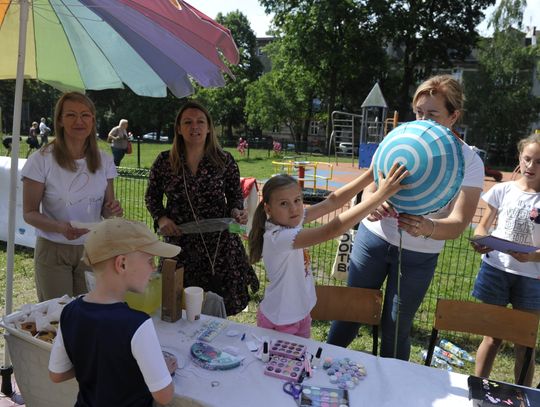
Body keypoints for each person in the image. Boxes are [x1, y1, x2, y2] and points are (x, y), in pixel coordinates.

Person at [327, 74, 485, 360]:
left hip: (419, 256)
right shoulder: (400, 139)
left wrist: (428, 227)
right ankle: (318, 368)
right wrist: (371, 204)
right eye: (419, 113)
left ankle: (394, 393)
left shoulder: (469, 161)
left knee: (396, 328)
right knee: (349, 314)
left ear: (454, 116)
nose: (422, 122)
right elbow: (372, 185)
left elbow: (459, 223)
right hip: (372, 240)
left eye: (433, 114)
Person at [248, 164, 408, 338]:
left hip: (301, 314)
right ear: (268, 209)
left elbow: (332, 201)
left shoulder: (289, 219)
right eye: (284, 203)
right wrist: (381, 195)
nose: (294, 208)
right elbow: (331, 230)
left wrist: (370, 175)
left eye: (297, 200)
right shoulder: (278, 236)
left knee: (300, 362)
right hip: (281, 321)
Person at [48, 218, 179, 406]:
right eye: (150, 260)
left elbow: (57, 374)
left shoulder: (69, 312)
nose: (154, 267)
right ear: (122, 264)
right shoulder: (137, 324)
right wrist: (162, 369)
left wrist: (97, 366)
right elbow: (164, 396)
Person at [145, 101, 259, 316]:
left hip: (220, 246)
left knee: (219, 306)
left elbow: (235, 196)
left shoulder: (224, 160)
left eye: (200, 122)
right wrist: (161, 219)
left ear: (209, 128)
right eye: (187, 122)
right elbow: (152, 196)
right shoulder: (164, 162)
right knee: (177, 304)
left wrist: (237, 211)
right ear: (178, 128)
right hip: (180, 244)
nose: (194, 127)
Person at [22, 92, 123, 302]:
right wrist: (61, 228)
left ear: (93, 120)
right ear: (59, 120)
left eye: (85, 115)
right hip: (53, 250)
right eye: (71, 115)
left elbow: (106, 209)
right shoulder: (40, 160)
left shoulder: (104, 161)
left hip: (92, 250)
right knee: (59, 319)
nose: (79, 121)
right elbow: (29, 213)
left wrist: (111, 210)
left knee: (87, 317)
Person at [471, 133, 540, 387]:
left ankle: (523, 394)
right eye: (527, 159)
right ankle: (477, 389)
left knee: (525, 342)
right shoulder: (502, 190)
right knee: (492, 336)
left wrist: (532, 256)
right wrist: (481, 240)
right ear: (520, 158)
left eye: (539, 162)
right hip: (496, 270)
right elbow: (482, 227)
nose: (531, 166)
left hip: (532, 278)